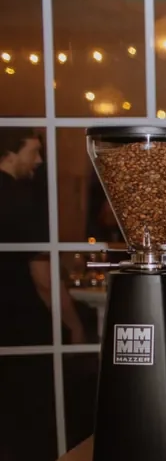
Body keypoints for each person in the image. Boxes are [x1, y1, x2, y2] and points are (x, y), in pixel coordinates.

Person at [0, 128, 85, 346]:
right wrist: (73, 326)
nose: (38, 160)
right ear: (10, 154)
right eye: (34, 151)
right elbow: (44, 279)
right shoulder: (23, 203)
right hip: (20, 317)